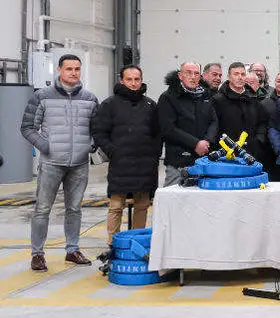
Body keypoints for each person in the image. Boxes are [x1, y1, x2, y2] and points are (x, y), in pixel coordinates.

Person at [20, 54, 100, 271]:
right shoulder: (42, 96)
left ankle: (72, 250)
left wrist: (91, 147)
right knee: (42, 209)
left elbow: (97, 130)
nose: (73, 73)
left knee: (74, 209)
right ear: (59, 70)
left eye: (77, 69)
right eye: (69, 69)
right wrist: (45, 146)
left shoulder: (90, 99)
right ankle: (37, 254)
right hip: (51, 163)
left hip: (80, 164)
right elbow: (27, 127)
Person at [91, 65, 161, 247]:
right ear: (122, 80)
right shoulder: (109, 104)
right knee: (115, 206)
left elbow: (157, 134)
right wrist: (113, 152)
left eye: (137, 79)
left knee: (142, 206)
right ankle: (113, 245)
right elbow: (99, 132)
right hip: (120, 164)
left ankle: (136, 243)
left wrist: (153, 154)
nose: (133, 83)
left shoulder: (150, 105)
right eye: (129, 79)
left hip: (144, 165)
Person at [159, 62, 218, 187]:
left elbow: (214, 121)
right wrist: (196, 144)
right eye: (188, 73)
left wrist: (207, 141)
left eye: (196, 73)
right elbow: (168, 129)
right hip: (178, 161)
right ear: (180, 75)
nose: (193, 76)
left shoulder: (205, 95)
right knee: (173, 198)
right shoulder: (168, 97)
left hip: (203, 160)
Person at [212, 62, 271, 170]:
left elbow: (262, 123)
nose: (240, 77)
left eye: (243, 74)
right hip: (226, 156)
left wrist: (258, 141)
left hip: (251, 154)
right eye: (236, 74)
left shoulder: (253, 99)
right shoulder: (218, 100)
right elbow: (214, 126)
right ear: (229, 77)